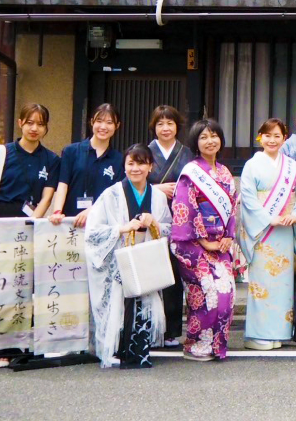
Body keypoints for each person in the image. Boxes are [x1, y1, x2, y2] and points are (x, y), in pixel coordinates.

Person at [0, 103, 61, 331]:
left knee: (22, 273)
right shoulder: (1, 153)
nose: (34, 128)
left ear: (46, 128)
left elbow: (47, 197)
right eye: (29, 122)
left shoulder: (51, 160)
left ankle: (19, 321)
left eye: (40, 124)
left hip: (29, 224)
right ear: (20, 123)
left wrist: (33, 223)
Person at [85, 144, 172, 368]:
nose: (136, 168)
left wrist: (155, 224)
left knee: (144, 300)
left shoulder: (158, 197)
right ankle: (117, 350)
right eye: (130, 163)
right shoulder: (111, 194)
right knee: (119, 303)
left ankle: (139, 353)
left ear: (150, 167)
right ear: (123, 167)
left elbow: (170, 229)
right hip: (119, 257)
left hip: (145, 258)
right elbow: (93, 232)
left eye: (141, 163)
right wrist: (122, 229)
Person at [238, 118, 296, 350]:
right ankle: (257, 335)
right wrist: (270, 218)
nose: (272, 140)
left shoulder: (291, 166)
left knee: (282, 285)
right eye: (267, 135)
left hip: (285, 231)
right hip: (263, 231)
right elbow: (248, 198)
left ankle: (278, 332)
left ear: (284, 139)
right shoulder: (252, 165)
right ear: (260, 137)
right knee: (262, 282)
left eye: (277, 136)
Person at [169, 119, 237, 361]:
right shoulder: (191, 173)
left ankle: (217, 346)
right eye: (204, 137)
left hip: (220, 245)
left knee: (227, 294)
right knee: (207, 293)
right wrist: (203, 240)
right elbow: (184, 208)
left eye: (214, 136)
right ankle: (196, 345)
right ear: (196, 143)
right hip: (193, 245)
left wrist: (229, 236)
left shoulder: (226, 173)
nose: (210, 141)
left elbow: (232, 209)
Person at [146, 104, 195, 348]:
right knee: (151, 273)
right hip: (152, 221)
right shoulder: (145, 153)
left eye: (170, 123)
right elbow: (132, 182)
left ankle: (172, 331)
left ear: (177, 126)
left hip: (180, 222)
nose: (165, 128)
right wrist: (157, 189)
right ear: (153, 127)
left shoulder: (186, 153)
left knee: (174, 275)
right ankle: (151, 327)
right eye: (160, 124)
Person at [49, 104, 124, 228]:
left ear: (117, 126)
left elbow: (114, 196)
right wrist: (57, 211)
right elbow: (63, 184)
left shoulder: (118, 159)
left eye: (109, 122)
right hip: (70, 221)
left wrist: (91, 211)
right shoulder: (71, 151)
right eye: (99, 121)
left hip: (102, 224)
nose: (103, 127)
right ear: (92, 122)